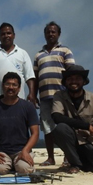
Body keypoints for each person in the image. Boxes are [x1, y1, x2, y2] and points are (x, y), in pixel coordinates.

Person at [51, 65, 93, 173]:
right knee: (60, 129)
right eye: (70, 79)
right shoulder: (59, 96)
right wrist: (86, 126)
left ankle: (83, 164)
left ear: (84, 81)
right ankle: (75, 164)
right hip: (73, 141)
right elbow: (56, 117)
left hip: (92, 143)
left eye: (77, 79)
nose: (73, 82)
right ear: (65, 82)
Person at [0, 72, 39, 174]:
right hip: (1, 151)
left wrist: (25, 150)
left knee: (24, 169)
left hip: (22, 150)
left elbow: (35, 133)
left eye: (14, 85)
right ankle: (10, 165)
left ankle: (16, 164)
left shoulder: (28, 107)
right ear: (2, 86)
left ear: (19, 88)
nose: (11, 87)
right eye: (7, 84)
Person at [33, 21, 75, 166]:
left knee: (65, 126)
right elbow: (35, 78)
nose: (50, 34)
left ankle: (67, 157)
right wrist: (33, 95)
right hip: (44, 96)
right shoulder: (38, 55)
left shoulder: (65, 51)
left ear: (58, 34)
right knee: (47, 127)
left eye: (53, 32)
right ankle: (50, 157)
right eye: (48, 32)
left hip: (62, 95)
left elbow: (72, 74)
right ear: (44, 34)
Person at [0, 23, 36, 107]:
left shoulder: (23, 53)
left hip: (18, 99)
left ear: (14, 35)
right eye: (3, 34)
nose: (6, 36)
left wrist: (32, 93)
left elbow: (30, 76)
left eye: (9, 33)